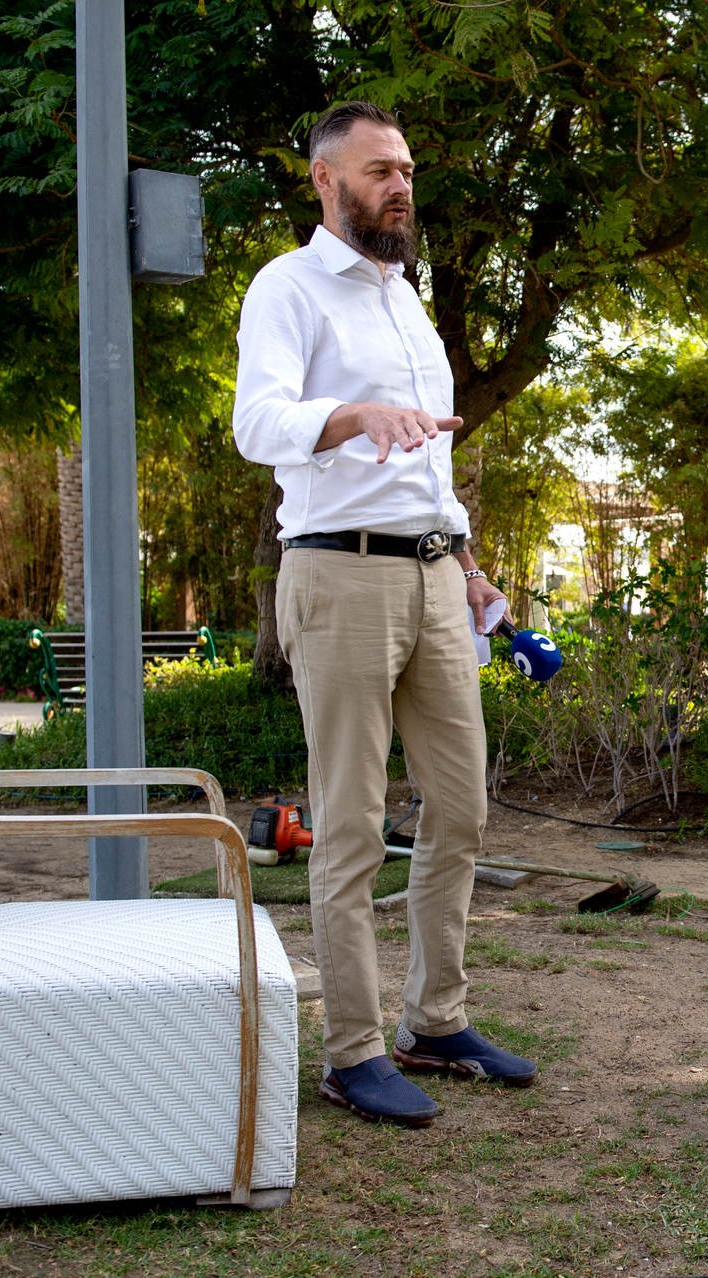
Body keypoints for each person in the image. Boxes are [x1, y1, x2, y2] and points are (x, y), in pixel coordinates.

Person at [232, 101, 537, 1128]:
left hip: (435, 578)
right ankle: (353, 1050)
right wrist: (354, 415)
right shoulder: (288, 287)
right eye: (377, 171)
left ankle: (435, 1022)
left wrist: (469, 565)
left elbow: (427, 465)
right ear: (326, 181)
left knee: (462, 808)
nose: (398, 186)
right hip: (339, 574)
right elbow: (256, 422)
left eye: (405, 169)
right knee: (353, 821)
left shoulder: (409, 303)